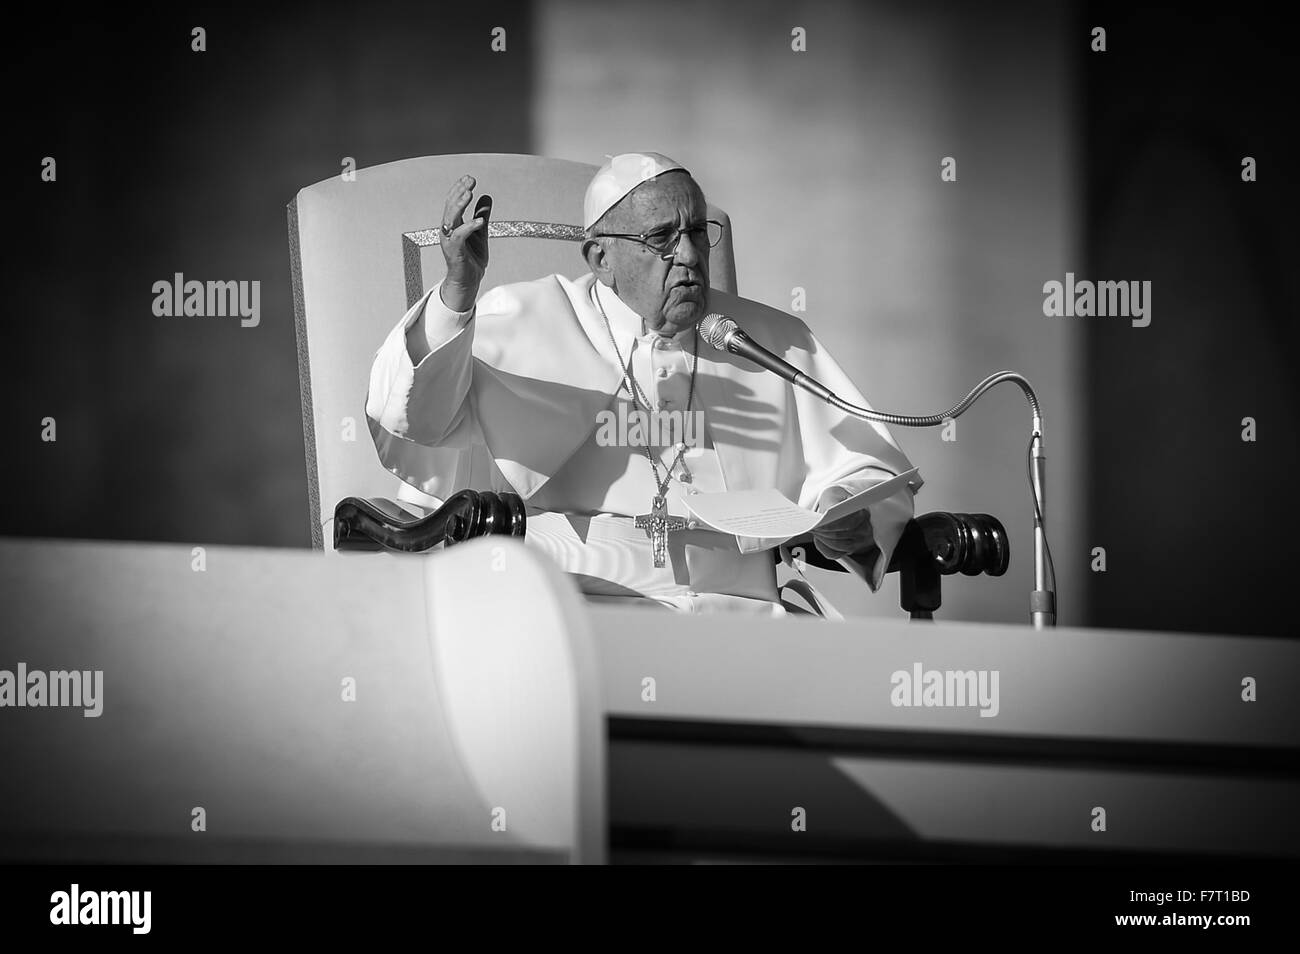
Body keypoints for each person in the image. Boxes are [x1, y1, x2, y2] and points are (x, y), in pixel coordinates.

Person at [365, 152, 920, 614]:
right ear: (600, 257)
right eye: (661, 237)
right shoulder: (526, 318)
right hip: (580, 608)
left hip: (748, 615)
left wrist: (850, 514)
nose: (689, 255)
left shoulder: (772, 338)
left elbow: (865, 466)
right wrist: (458, 291)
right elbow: (416, 419)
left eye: (697, 233)